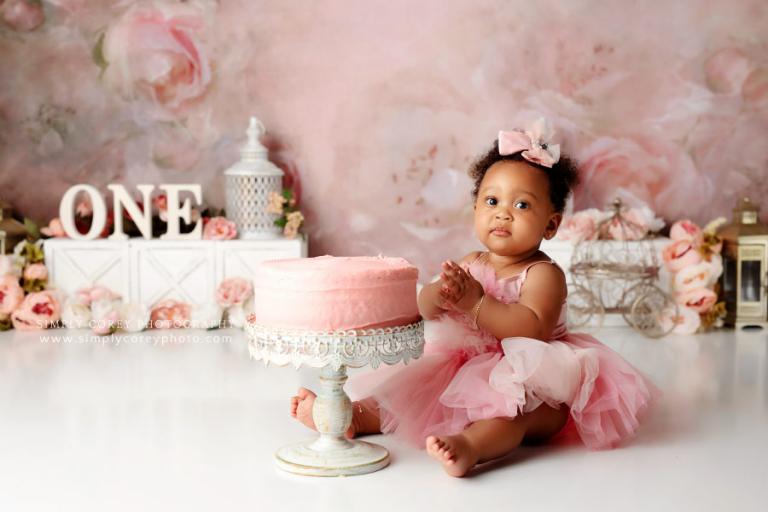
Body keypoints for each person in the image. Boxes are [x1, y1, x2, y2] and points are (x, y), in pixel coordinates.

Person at [289, 118, 659, 477]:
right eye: (492, 200)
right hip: (462, 366)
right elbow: (426, 309)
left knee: (509, 417)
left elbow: (531, 329)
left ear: (551, 224)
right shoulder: (470, 262)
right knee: (406, 394)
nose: (503, 214)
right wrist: (441, 294)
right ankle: (352, 416)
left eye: (522, 205)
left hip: (533, 385)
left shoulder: (543, 274)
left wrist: (474, 304)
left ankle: (471, 447)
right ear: (476, 209)